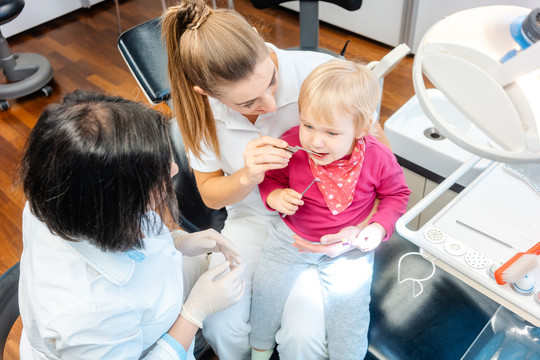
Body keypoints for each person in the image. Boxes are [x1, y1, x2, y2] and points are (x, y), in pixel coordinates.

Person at [162, 1, 392, 358]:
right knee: (223, 325)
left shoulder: (322, 74)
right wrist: (248, 176)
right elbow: (211, 197)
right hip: (253, 218)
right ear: (206, 94)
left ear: (257, 38)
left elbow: (381, 166)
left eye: (271, 81)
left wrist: (358, 228)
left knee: (304, 340)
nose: (270, 106)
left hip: (326, 223)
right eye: (249, 103)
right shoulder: (200, 114)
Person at [17, 90, 246, 360]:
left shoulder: (61, 197)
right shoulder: (89, 316)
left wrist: (177, 241)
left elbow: (135, 240)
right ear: (116, 199)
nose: (173, 170)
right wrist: (193, 314)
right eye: (157, 172)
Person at [250, 59, 411, 360]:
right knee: (265, 296)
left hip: (348, 250)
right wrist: (275, 195)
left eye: (331, 133)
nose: (315, 140)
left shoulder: (378, 158)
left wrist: (376, 228)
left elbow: (397, 195)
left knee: (349, 319)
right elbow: (270, 178)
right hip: (288, 242)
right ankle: (258, 352)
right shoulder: (290, 146)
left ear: (361, 128)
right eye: (308, 125)